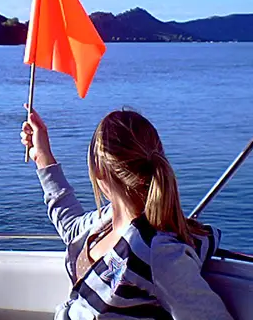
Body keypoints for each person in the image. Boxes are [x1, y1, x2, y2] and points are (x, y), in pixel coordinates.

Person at [20, 106, 234, 320]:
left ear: (99, 170)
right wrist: (42, 157)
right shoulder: (104, 223)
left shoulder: (161, 253)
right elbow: (72, 228)